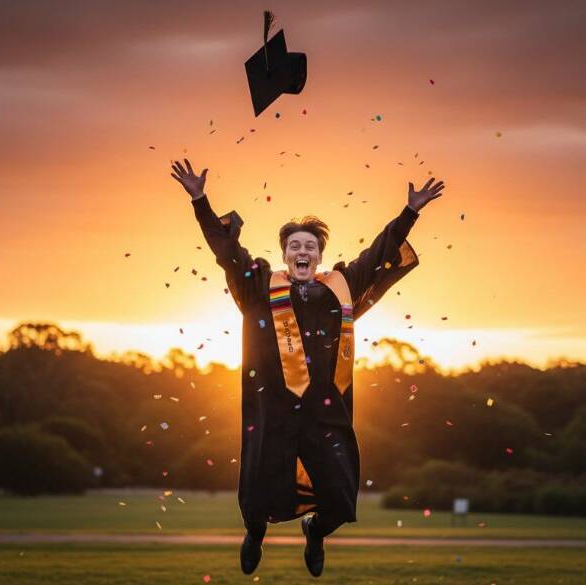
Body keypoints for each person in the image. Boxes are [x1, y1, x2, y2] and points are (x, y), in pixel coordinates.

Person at [170, 159, 445, 577]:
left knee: (340, 496)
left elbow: (379, 253)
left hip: (324, 411)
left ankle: (315, 533)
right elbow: (227, 252)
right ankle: (255, 534)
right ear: (285, 255)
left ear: (319, 256)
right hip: (273, 410)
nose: (303, 251)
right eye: (295, 246)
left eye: (310, 247)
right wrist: (200, 201)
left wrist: (410, 212)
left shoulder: (339, 288)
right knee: (257, 492)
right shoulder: (259, 284)